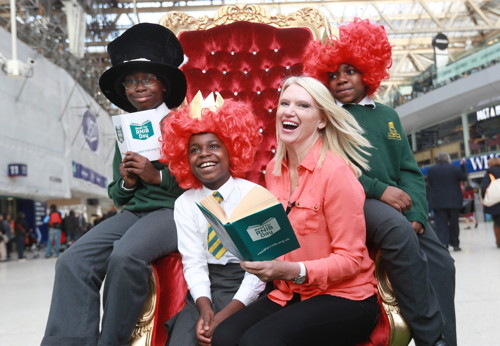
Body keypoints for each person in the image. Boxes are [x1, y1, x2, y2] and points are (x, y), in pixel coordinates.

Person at [303, 18, 454, 346]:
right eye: (332, 74)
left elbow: (409, 170)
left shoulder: (388, 115)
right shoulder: (326, 118)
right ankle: (432, 338)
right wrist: (379, 190)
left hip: (400, 204)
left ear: (367, 70)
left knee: (443, 262)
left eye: (350, 70)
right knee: (398, 233)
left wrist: (416, 214)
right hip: (356, 202)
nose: (341, 80)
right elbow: (336, 168)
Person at [41, 23, 187, 346]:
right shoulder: (126, 128)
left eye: (146, 79)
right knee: (72, 260)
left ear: (163, 85)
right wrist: (129, 181)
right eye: (130, 82)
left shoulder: (182, 122)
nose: (137, 87)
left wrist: (156, 176)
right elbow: (116, 193)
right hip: (134, 213)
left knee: (125, 256)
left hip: (175, 211)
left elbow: (198, 181)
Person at [212, 76, 379, 346]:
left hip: (346, 298)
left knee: (258, 342)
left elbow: (351, 261)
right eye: (284, 103)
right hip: (291, 293)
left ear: (322, 120)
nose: (289, 111)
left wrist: (289, 270)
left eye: (303, 106)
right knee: (224, 336)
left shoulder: (336, 173)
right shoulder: (274, 171)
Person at [160, 93, 266, 346]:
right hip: (205, 289)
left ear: (232, 149)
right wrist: (206, 311)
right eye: (194, 150)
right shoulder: (184, 203)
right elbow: (194, 262)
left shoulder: (255, 196)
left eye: (214, 146)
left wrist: (225, 315)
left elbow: (260, 273)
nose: (204, 155)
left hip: (248, 287)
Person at [427, 153, 467, 251]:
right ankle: (455, 244)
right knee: (454, 223)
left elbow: (430, 184)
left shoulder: (431, 170)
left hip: (438, 202)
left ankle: (444, 244)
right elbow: (464, 177)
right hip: (454, 201)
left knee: (441, 224)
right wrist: (463, 166)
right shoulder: (454, 168)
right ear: (447, 159)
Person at [481, 157, 500, 248]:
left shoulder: (489, 174)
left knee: (497, 223)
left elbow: (483, 188)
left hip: (495, 203)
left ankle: (499, 242)